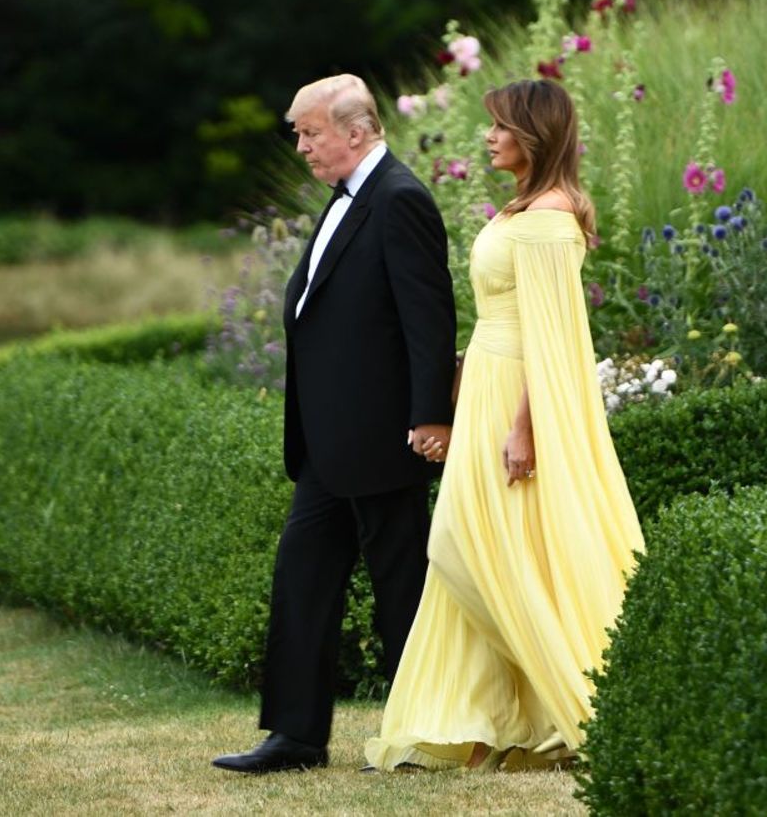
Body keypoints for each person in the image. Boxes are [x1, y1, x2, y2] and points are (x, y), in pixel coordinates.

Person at [364, 79, 645, 772]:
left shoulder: (551, 218)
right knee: (475, 547)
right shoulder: (524, 209)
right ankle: (484, 723)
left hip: (519, 398)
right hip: (487, 384)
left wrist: (525, 429)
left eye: (499, 127)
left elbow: (551, 339)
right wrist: (456, 399)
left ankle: (578, 702)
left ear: (535, 136)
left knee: (487, 548)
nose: (487, 137)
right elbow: (496, 316)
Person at [213, 74, 457, 774]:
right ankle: (295, 737)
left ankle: (420, 731)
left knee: (401, 588)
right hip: (326, 443)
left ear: (356, 130)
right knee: (302, 576)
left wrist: (429, 417)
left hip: (385, 437)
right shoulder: (346, 199)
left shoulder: (401, 198)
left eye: (309, 132)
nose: (301, 146)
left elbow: (428, 319)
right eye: (298, 133)